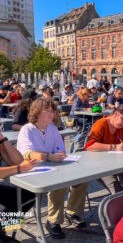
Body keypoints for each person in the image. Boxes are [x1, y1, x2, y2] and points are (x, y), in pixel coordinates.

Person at [17, 98, 88, 239]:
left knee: (83, 178)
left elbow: (60, 150)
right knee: (59, 183)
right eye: (47, 111)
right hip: (33, 170)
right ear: (37, 112)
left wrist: (60, 155)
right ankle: (53, 221)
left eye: (52, 111)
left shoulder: (53, 129)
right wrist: (49, 157)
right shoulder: (27, 130)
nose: (52, 114)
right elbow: (28, 154)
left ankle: (72, 212)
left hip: (53, 167)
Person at [85, 105, 123, 193]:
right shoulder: (101, 124)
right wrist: (114, 147)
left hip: (117, 162)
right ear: (116, 114)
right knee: (117, 191)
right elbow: (90, 146)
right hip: (100, 165)